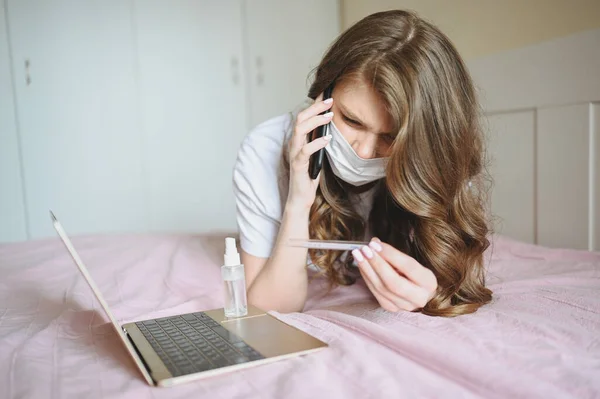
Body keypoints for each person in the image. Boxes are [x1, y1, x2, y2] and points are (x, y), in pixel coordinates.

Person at [232, 9, 492, 317]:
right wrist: (298, 201)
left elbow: (457, 283)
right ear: (322, 95)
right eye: (352, 121)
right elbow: (270, 310)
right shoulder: (265, 148)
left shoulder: (437, 158)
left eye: (390, 137)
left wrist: (433, 295)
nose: (365, 152)